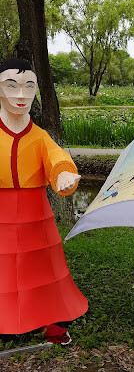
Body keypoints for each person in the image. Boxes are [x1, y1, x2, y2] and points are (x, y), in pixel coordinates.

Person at [0, 58, 88, 341]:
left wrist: (63, 173)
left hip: (35, 213)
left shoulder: (39, 136)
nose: (21, 94)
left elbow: (56, 156)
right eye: (11, 86)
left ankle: (48, 319)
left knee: (41, 269)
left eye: (29, 86)